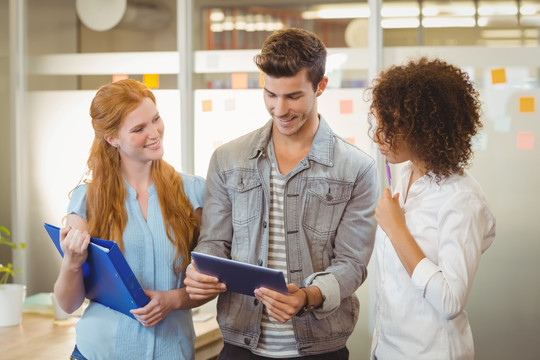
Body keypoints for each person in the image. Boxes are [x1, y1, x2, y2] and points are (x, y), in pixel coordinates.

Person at [184, 27, 378, 359]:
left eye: (293, 96)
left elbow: (352, 263)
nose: (279, 109)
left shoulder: (357, 168)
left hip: (320, 347)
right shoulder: (228, 159)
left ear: (321, 87)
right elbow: (214, 243)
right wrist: (200, 272)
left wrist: (308, 295)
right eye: (270, 94)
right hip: (239, 343)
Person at [53, 79, 208, 360]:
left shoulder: (194, 193)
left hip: (173, 351)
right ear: (112, 139)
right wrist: (72, 263)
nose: (155, 133)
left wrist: (173, 300)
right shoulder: (87, 199)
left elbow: (212, 281)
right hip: (99, 352)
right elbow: (68, 303)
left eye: (156, 119)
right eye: (138, 129)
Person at [367, 57, 496, 359]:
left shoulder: (461, 198)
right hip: (387, 348)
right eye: (377, 123)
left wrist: (397, 229)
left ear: (422, 128)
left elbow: (450, 302)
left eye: (389, 127)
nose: (377, 137)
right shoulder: (406, 174)